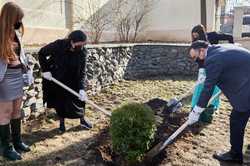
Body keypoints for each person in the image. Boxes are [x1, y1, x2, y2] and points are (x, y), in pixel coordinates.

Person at [188, 40, 250, 164]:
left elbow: (208, 89)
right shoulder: (218, 48)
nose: (196, 61)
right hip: (245, 78)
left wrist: (197, 110)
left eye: (195, 57)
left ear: (201, 50)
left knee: (236, 120)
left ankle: (235, 155)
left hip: (246, 88)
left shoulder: (212, 59)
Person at [38, 30, 92, 133]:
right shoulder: (59, 45)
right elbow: (41, 53)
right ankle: (62, 125)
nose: (81, 47)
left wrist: (81, 89)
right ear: (72, 41)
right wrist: (46, 70)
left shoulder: (82, 52)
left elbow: (82, 72)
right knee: (61, 101)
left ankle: (82, 120)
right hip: (58, 77)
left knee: (80, 100)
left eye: (83, 45)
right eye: (79, 45)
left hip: (74, 78)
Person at [0, 2, 33, 161]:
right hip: (4, 79)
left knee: (16, 111)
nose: (20, 21)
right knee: (5, 113)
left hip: (18, 76)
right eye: (18, 18)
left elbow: (22, 55)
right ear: (10, 17)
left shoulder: (16, 33)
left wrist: (26, 69)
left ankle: (18, 141)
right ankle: (6, 148)